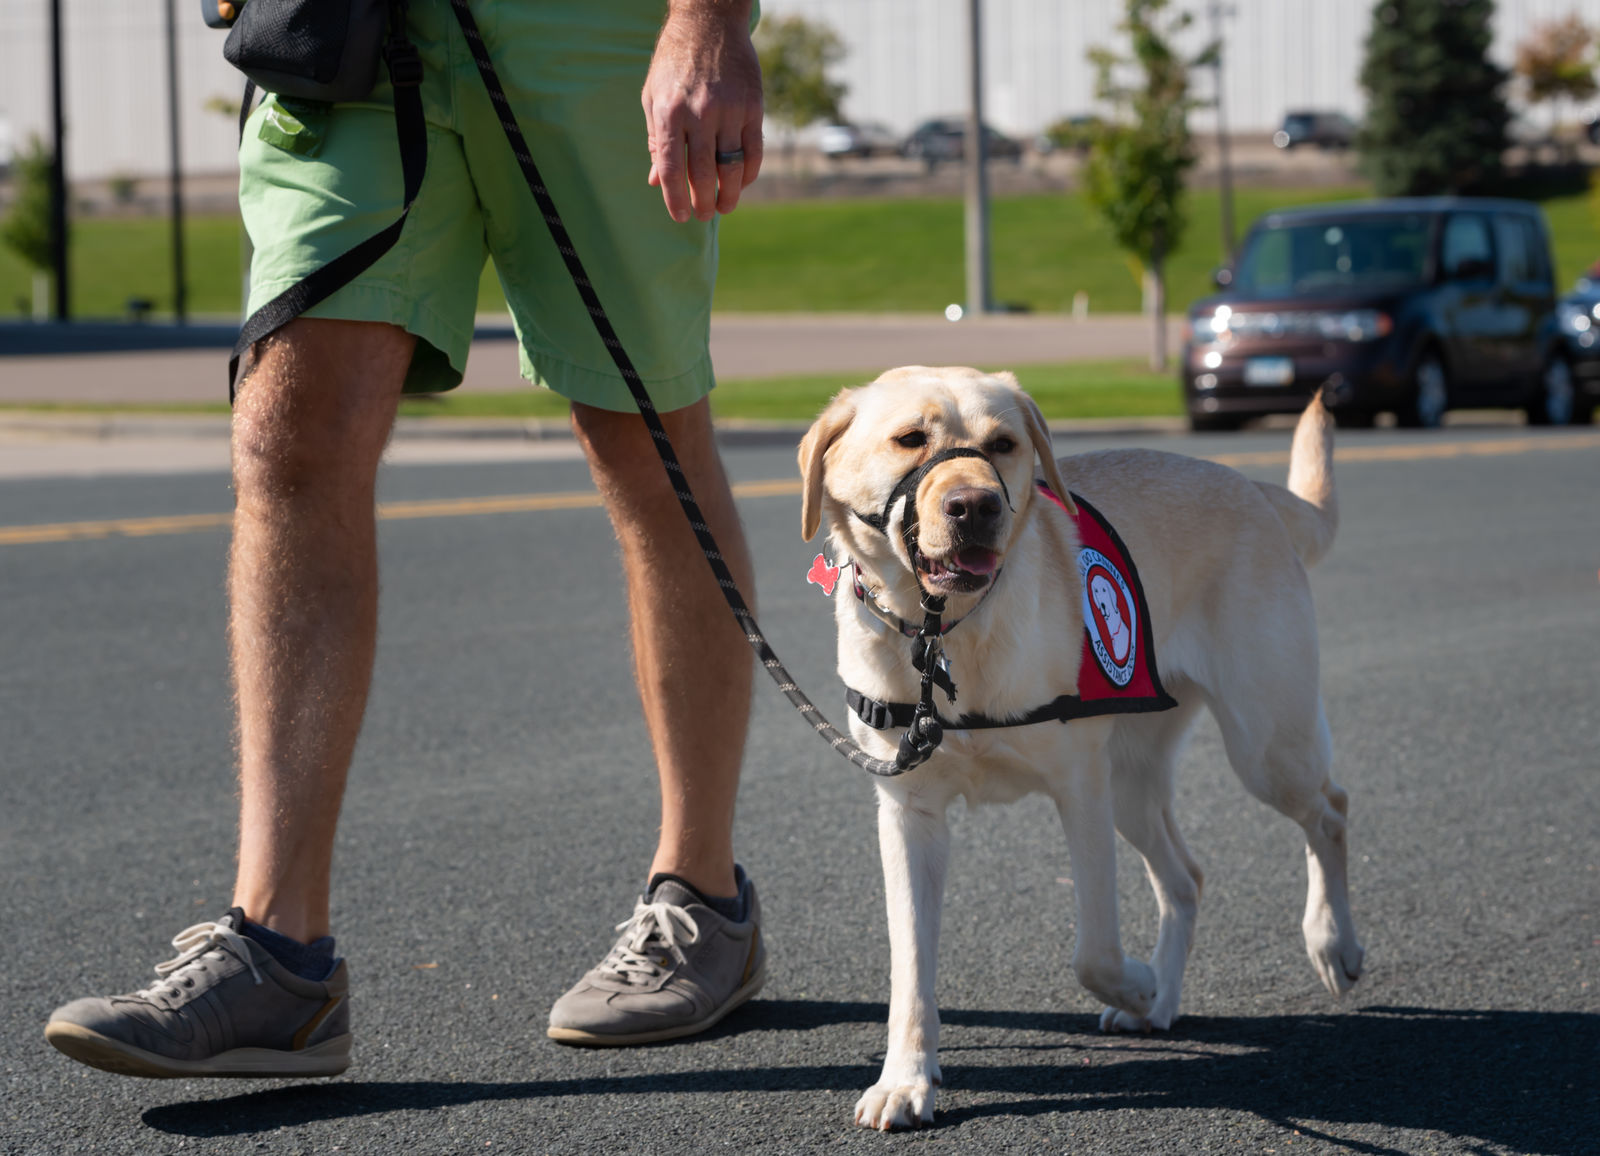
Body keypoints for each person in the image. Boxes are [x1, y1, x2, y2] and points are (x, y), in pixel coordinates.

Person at [44, 0, 768, 1076]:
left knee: (641, 432)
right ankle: (277, 954)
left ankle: (700, 895)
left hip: (591, 25)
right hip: (353, 24)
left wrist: (707, 19)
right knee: (288, 426)